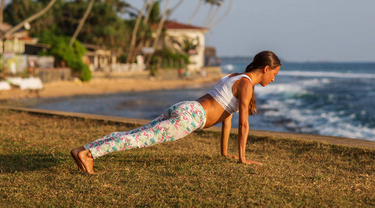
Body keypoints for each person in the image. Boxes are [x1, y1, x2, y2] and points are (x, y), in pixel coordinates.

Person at [71, 51, 281, 174]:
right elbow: (243, 124)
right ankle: (89, 153)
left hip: (186, 107)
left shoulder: (234, 76)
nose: (273, 79)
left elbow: (227, 117)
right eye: (274, 74)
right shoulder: (246, 85)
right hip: (191, 118)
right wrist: (243, 159)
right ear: (265, 69)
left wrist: (225, 153)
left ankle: (85, 149)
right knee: (139, 139)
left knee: (137, 133)